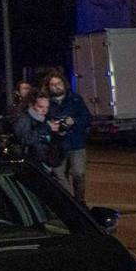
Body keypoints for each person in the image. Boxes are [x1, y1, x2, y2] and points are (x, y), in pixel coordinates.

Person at [41, 69, 92, 203]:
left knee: (79, 174)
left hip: (76, 144)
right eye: (53, 84)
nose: (56, 86)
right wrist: (50, 126)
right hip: (57, 145)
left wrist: (73, 121)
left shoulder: (75, 99)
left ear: (64, 84)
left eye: (59, 83)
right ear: (48, 87)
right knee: (59, 175)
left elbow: (87, 118)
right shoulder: (46, 103)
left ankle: (80, 201)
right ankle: (70, 202)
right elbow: (40, 120)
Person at [12, 89, 70, 187]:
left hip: (48, 164)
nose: (44, 110)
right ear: (31, 105)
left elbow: (51, 142)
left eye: (47, 107)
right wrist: (46, 128)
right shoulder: (24, 119)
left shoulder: (45, 119)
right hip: (33, 165)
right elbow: (25, 139)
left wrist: (60, 133)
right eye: (40, 107)